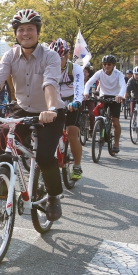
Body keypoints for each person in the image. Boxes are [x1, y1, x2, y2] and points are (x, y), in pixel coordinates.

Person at [0, 9, 65, 221]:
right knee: (3, 135)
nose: (25, 33)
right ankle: (3, 179)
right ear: (16, 33)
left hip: (51, 111)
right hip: (23, 109)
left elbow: (50, 84)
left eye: (30, 28)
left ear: (38, 32)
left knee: (45, 156)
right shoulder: (10, 55)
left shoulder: (51, 56)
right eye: (21, 29)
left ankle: (53, 196)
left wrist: (50, 110)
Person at [50, 38, 85, 180]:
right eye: (53, 58)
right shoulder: (47, 68)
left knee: (72, 134)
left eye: (60, 58)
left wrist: (76, 102)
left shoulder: (75, 69)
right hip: (54, 102)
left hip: (71, 102)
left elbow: (79, 88)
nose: (57, 61)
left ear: (67, 56)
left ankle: (77, 166)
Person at [83, 54, 126, 153]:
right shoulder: (99, 73)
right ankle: (101, 129)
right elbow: (89, 83)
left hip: (116, 98)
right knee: (99, 117)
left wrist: (120, 95)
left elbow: (123, 85)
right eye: (105, 64)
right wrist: (86, 93)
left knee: (115, 121)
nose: (107, 66)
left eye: (109, 64)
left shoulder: (118, 74)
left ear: (114, 65)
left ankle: (116, 143)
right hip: (103, 97)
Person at [82, 64, 97, 134]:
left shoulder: (91, 80)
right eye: (82, 71)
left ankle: (91, 129)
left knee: (92, 114)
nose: (84, 73)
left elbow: (93, 88)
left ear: (88, 73)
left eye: (85, 72)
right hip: (80, 100)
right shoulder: (78, 80)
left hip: (90, 99)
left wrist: (93, 94)